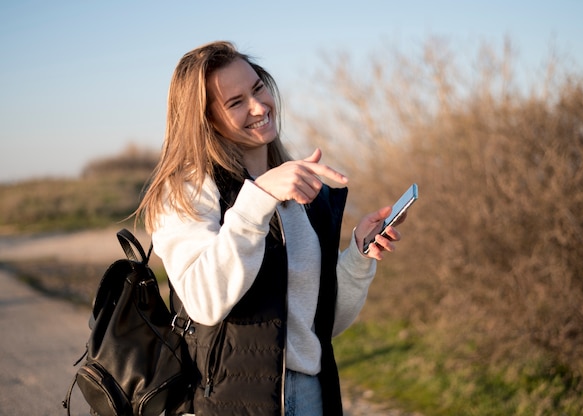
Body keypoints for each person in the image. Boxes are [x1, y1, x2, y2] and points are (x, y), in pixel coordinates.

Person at [135, 41, 402, 416]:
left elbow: (318, 328)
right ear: (206, 120)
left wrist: (358, 256)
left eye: (258, 87)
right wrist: (257, 200)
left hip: (311, 394)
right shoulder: (186, 190)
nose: (259, 107)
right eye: (235, 102)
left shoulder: (296, 190)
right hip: (232, 403)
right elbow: (204, 302)